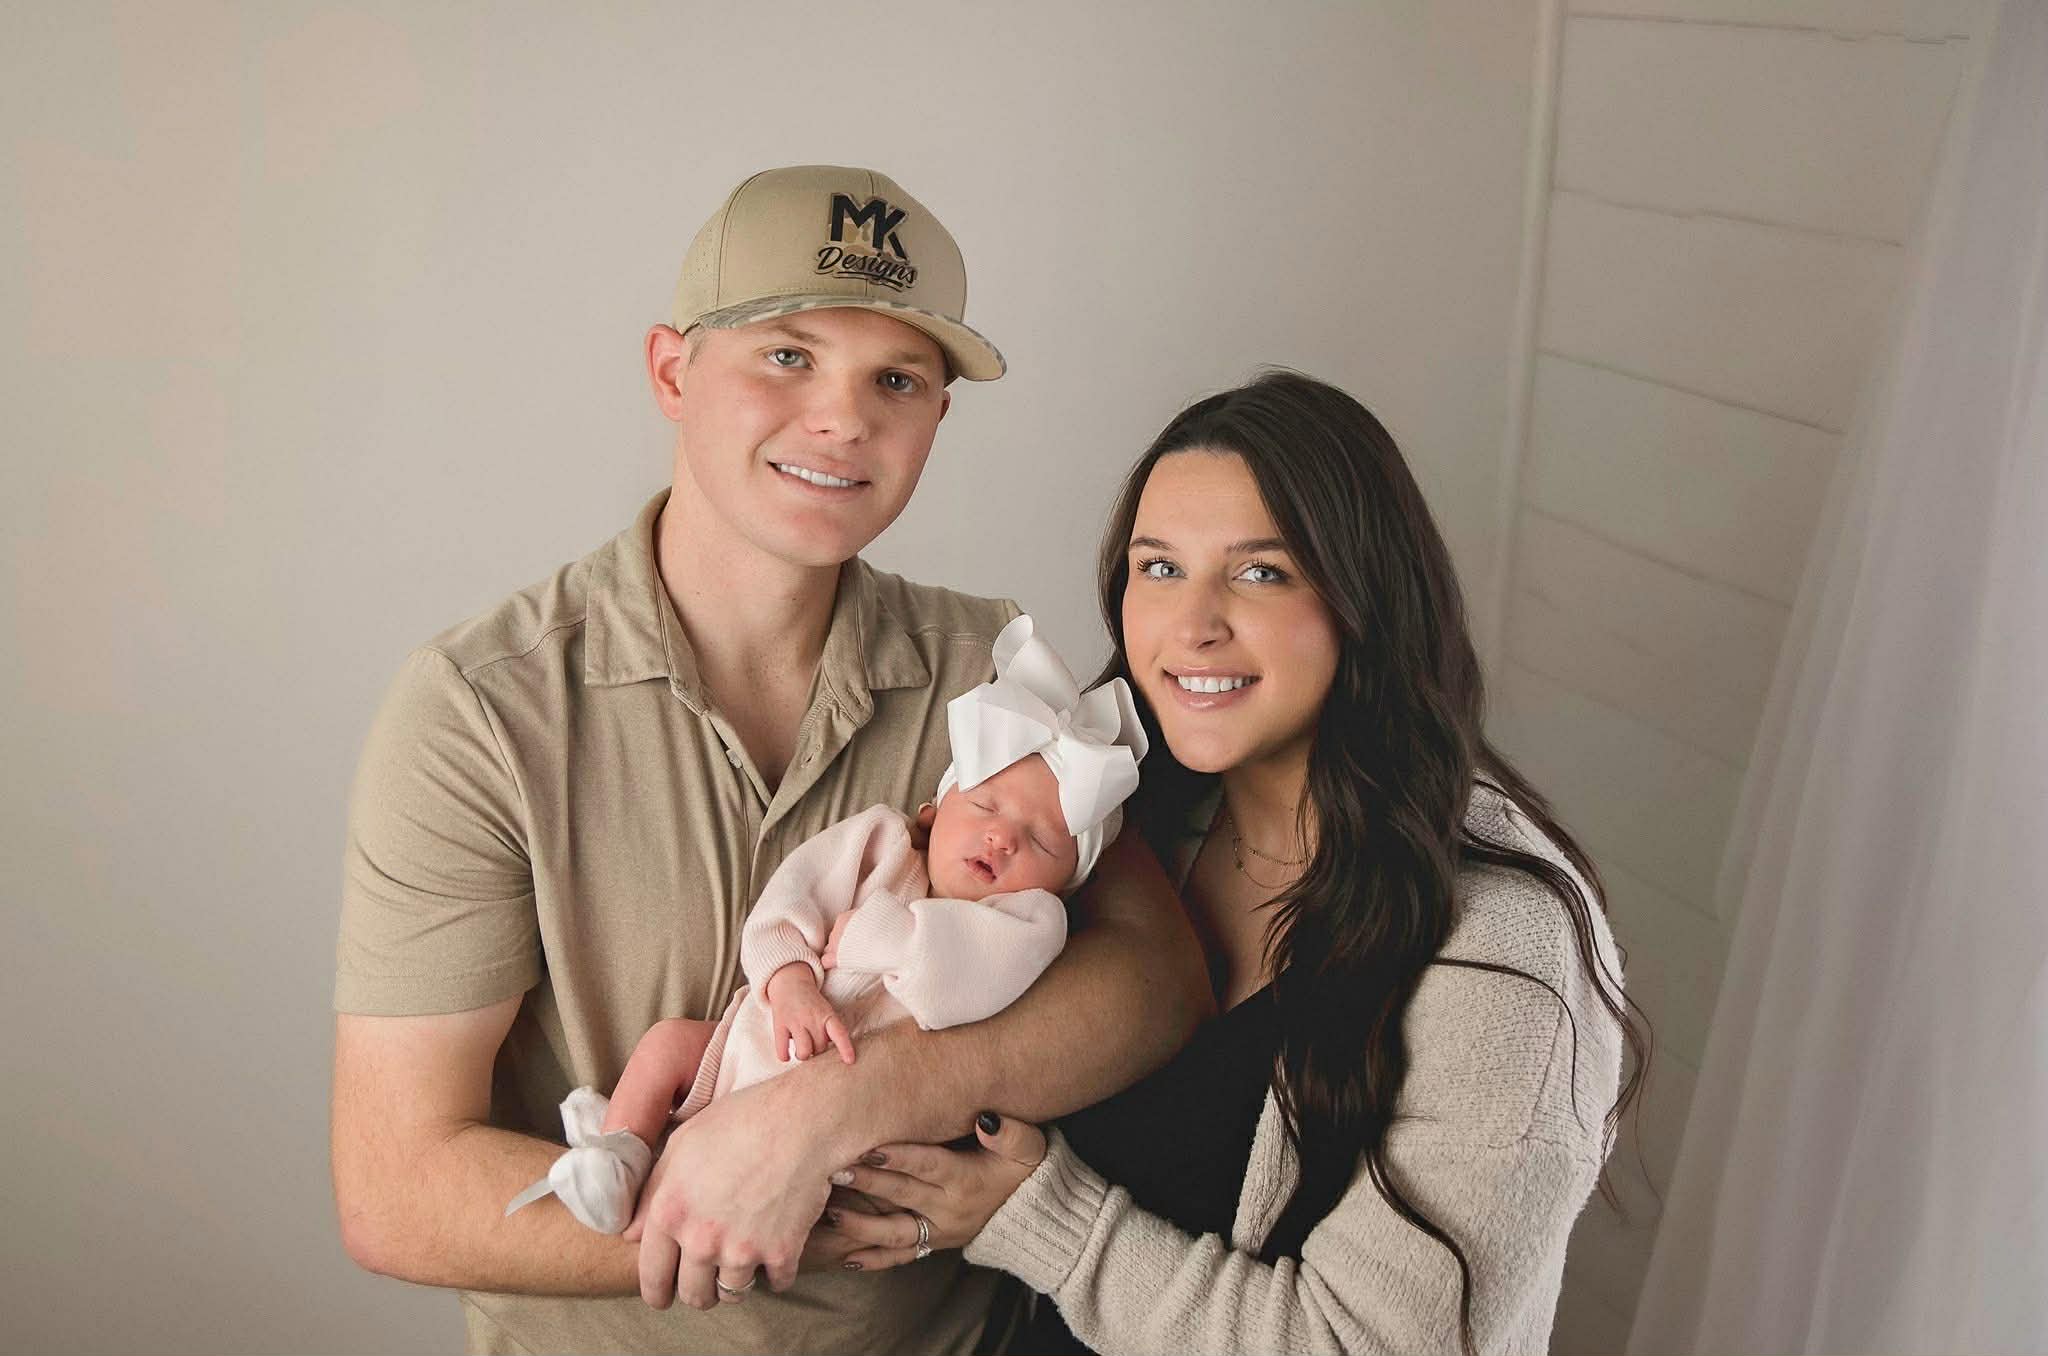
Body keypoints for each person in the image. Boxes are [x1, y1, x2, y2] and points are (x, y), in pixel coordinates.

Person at [330, 165, 1209, 1355]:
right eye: (788, 356)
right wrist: (749, 1197)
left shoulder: (988, 674)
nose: (843, 420)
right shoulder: (481, 711)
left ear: (935, 419)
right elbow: (395, 1188)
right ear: (670, 372)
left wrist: (842, 1106)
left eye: (895, 379)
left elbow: (1156, 983)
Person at [823, 371, 1650, 1355]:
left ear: (1364, 598)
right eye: (1159, 567)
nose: (1193, 624)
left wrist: (1039, 1220)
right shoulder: (1119, 834)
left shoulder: (1504, 940)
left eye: (1261, 573)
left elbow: (1373, 1345)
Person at [506, 614, 1147, 1237]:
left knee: (832, 1190)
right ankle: (620, 1152)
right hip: (753, 1045)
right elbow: (792, 896)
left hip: (850, 1117)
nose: (1002, 838)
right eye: (984, 805)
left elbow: (967, 980)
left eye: (1041, 840)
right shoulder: (880, 842)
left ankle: (658, 1167)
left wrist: (887, 936)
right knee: (668, 1045)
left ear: (1066, 884)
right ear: (932, 812)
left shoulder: (1030, 922)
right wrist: (788, 981)